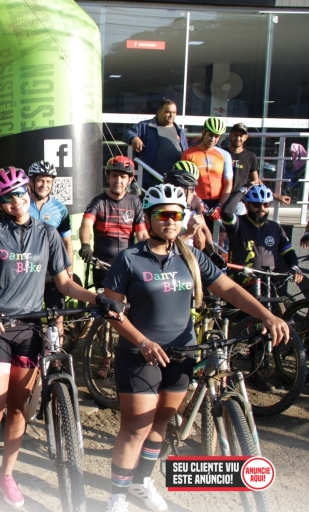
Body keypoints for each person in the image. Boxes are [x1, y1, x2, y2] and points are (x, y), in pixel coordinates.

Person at [101, 183, 291, 512]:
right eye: (163, 214)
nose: (170, 221)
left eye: (176, 215)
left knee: (161, 423)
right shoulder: (129, 259)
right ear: (149, 218)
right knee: (135, 428)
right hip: (140, 354)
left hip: (183, 352)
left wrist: (267, 315)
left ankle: (140, 483)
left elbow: (230, 289)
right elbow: (111, 311)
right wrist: (143, 342)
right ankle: (118, 495)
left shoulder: (191, 257)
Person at [0, 166, 123, 512]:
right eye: (7, 198)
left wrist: (97, 298)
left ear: (28, 192)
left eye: (19, 193)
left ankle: (6, 475)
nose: (15, 201)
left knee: (19, 409)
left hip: (30, 330)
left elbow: (64, 284)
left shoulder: (48, 233)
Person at [78, 156, 148, 289]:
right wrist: (85, 245)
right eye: (114, 176)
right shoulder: (98, 202)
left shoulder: (135, 202)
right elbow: (86, 224)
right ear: (108, 177)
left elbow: (142, 234)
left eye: (123, 177)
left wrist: (150, 253)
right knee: (105, 300)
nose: (118, 181)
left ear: (130, 180)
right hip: (102, 264)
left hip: (129, 263)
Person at [220, 183, 304, 285]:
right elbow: (226, 212)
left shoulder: (275, 227)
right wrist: (243, 189)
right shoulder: (237, 224)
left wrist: (294, 266)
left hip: (269, 283)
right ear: (246, 204)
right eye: (257, 205)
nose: (262, 208)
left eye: (266, 204)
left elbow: (288, 251)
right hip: (240, 283)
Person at [27, 160, 74, 337]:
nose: (44, 185)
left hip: (53, 270)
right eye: (40, 180)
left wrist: (69, 270)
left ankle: (56, 353)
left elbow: (67, 242)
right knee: (29, 314)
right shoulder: (22, 204)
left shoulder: (60, 208)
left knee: (57, 316)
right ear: (31, 181)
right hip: (29, 269)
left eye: (48, 181)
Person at [123, 99, 189, 188]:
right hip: (152, 181)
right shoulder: (145, 126)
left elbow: (186, 153)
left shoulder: (180, 131)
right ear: (159, 112)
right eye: (168, 112)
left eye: (174, 112)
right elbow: (127, 133)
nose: (171, 115)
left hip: (175, 182)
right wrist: (134, 138)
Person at [180, 117, 233, 221]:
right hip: (196, 201)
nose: (213, 139)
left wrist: (220, 205)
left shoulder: (225, 155)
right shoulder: (188, 154)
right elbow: (186, 183)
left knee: (220, 232)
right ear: (203, 132)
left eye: (216, 136)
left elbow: (228, 183)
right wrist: (198, 202)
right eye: (210, 135)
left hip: (219, 202)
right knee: (199, 231)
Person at [161, 168, 211, 250]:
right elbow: (163, 248)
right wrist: (188, 234)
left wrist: (197, 229)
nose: (194, 193)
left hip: (189, 255)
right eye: (191, 189)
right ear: (179, 189)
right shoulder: (162, 214)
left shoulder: (190, 213)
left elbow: (200, 247)